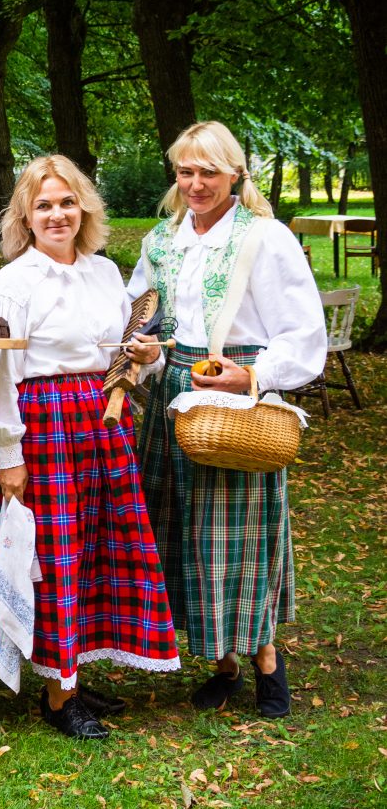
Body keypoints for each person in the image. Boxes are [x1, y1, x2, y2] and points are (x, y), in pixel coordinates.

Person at [0, 156, 180, 739]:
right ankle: (60, 695)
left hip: (102, 419)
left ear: (82, 207)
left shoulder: (105, 273)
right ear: (25, 218)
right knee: (56, 556)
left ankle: (75, 675)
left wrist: (147, 357)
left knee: (95, 548)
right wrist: (8, 454)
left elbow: (125, 352)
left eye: (66, 202)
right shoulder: (11, 282)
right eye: (44, 205)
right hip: (43, 425)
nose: (57, 214)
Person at [128, 121, 327, 717]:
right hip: (173, 399)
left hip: (234, 399)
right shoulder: (162, 240)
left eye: (207, 172)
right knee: (190, 536)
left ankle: (266, 658)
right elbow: (143, 313)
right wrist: (146, 350)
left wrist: (254, 376)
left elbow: (303, 328)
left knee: (237, 537)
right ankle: (222, 661)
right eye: (185, 172)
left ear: (234, 173)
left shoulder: (263, 238)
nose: (194, 183)